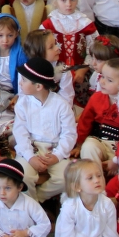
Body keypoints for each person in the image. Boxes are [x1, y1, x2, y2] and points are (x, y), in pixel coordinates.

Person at [13, 57, 77, 202]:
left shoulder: (61, 105)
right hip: (30, 148)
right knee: (23, 175)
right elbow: (20, 133)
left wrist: (57, 155)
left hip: (54, 150)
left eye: (24, 80)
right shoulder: (23, 104)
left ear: (38, 86)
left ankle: (37, 200)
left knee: (66, 178)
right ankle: (32, 205)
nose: (20, 83)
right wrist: (30, 157)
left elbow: (69, 134)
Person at [73, 58, 119, 175]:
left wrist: (116, 159)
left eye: (109, 80)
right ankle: (95, 178)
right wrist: (79, 144)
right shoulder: (96, 98)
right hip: (98, 141)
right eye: (102, 76)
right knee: (89, 147)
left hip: (117, 146)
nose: (102, 82)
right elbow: (85, 122)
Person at [43, 0, 99, 76]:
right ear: (55, 1)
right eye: (63, 0)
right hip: (55, 74)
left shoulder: (86, 23)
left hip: (81, 73)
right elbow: (42, 51)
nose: (69, 4)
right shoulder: (48, 25)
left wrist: (83, 69)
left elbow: (94, 49)